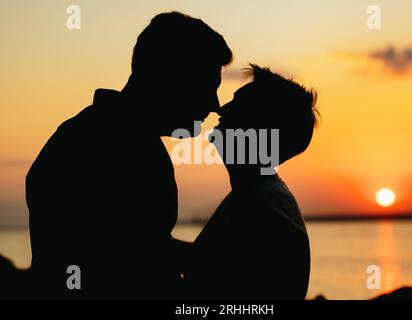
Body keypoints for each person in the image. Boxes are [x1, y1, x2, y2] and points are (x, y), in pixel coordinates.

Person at [25, 11, 232, 298]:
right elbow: (121, 261)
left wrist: (195, 259)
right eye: (206, 87)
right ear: (169, 76)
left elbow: (134, 245)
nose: (214, 105)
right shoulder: (106, 144)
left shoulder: (112, 137)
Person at [185, 64, 318, 299]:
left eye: (239, 105)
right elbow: (206, 262)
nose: (221, 109)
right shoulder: (255, 193)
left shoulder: (263, 209)